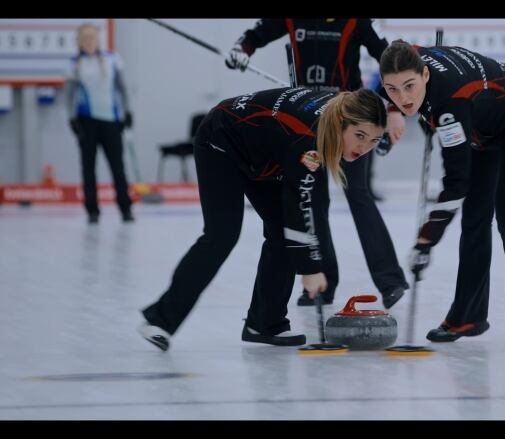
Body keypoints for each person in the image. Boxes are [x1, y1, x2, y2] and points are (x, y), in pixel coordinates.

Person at [138, 88, 387, 351]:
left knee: (281, 232)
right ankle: (160, 319)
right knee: (221, 235)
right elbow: (299, 205)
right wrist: (310, 268)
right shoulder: (309, 140)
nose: (364, 148)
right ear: (340, 122)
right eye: (360, 136)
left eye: (374, 140)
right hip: (220, 140)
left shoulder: (338, 113)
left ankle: (265, 323)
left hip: (263, 152)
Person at [379, 40, 505, 351]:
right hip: (485, 126)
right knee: (475, 217)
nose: (404, 98)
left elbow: (456, 183)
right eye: (392, 90)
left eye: (410, 86)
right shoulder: (408, 57)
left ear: (425, 75)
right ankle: (467, 317)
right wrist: (390, 109)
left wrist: (426, 240)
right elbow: (397, 59)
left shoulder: (451, 103)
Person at [225, 19, 408, 309]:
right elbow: (256, 34)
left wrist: (394, 107)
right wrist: (242, 50)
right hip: (310, 120)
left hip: (351, 122)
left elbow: (389, 56)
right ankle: (323, 284)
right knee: (312, 197)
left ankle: (391, 281)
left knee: (358, 194)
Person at [64, 23, 134, 223]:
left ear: (98, 38)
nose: (88, 41)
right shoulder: (74, 64)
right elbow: (69, 96)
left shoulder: (112, 59)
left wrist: (128, 112)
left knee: (118, 167)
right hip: (86, 122)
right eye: (84, 38)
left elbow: (123, 88)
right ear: (79, 40)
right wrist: (71, 119)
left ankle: (125, 208)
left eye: (91, 37)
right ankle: (92, 211)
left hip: (111, 121)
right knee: (88, 168)